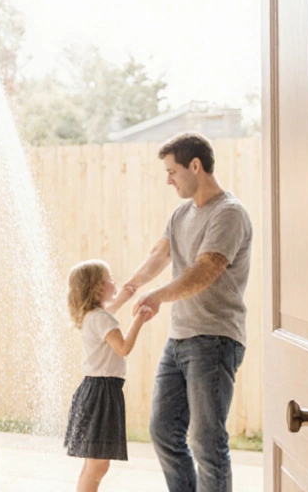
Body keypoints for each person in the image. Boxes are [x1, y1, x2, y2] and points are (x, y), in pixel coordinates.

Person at [124, 132, 253, 492]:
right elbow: (159, 256)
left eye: (172, 171)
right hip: (179, 339)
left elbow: (205, 270)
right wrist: (128, 289)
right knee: (164, 431)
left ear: (195, 166)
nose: (168, 180)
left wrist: (157, 296)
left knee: (207, 442)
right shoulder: (181, 213)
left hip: (214, 339)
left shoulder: (229, 213)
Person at [64, 259, 154, 492]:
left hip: (93, 390)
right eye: (110, 279)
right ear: (98, 288)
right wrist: (139, 320)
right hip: (102, 393)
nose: (115, 282)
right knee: (98, 466)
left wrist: (122, 297)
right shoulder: (102, 318)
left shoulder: (92, 316)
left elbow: (108, 313)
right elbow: (123, 348)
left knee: (93, 464)